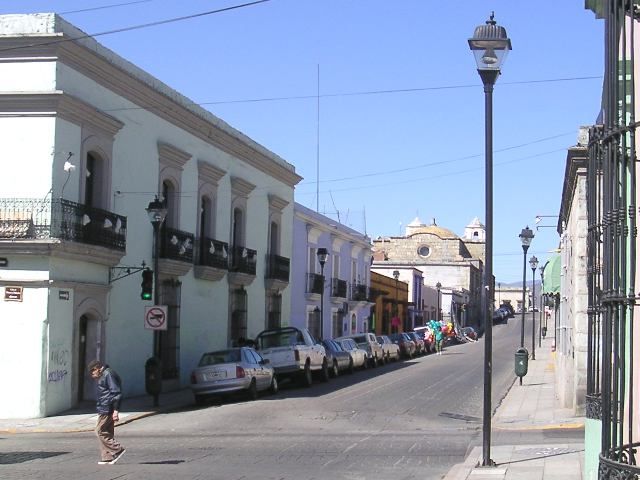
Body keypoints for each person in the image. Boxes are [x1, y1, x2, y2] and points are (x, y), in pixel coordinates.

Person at [88, 360, 126, 465]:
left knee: (99, 431)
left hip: (107, 408)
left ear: (98, 368)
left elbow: (116, 393)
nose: (92, 374)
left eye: (92, 371)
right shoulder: (104, 375)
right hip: (104, 407)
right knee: (107, 432)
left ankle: (117, 449)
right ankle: (107, 457)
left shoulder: (108, 374)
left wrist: (116, 410)